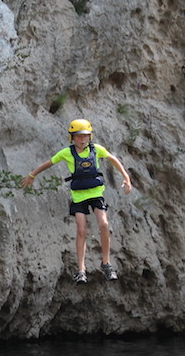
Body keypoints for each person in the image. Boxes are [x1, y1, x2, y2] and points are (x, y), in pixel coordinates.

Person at [21, 119, 133, 284]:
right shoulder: (67, 152)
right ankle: (81, 270)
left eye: (86, 136)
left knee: (104, 224)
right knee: (81, 229)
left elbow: (113, 159)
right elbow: (48, 163)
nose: (82, 140)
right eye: (79, 136)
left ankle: (106, 263)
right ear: (72, 137)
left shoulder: (96, 150)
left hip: (96, 194)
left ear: (90, 137)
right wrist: (32, 175)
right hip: (79, 196)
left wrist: (126, 178)